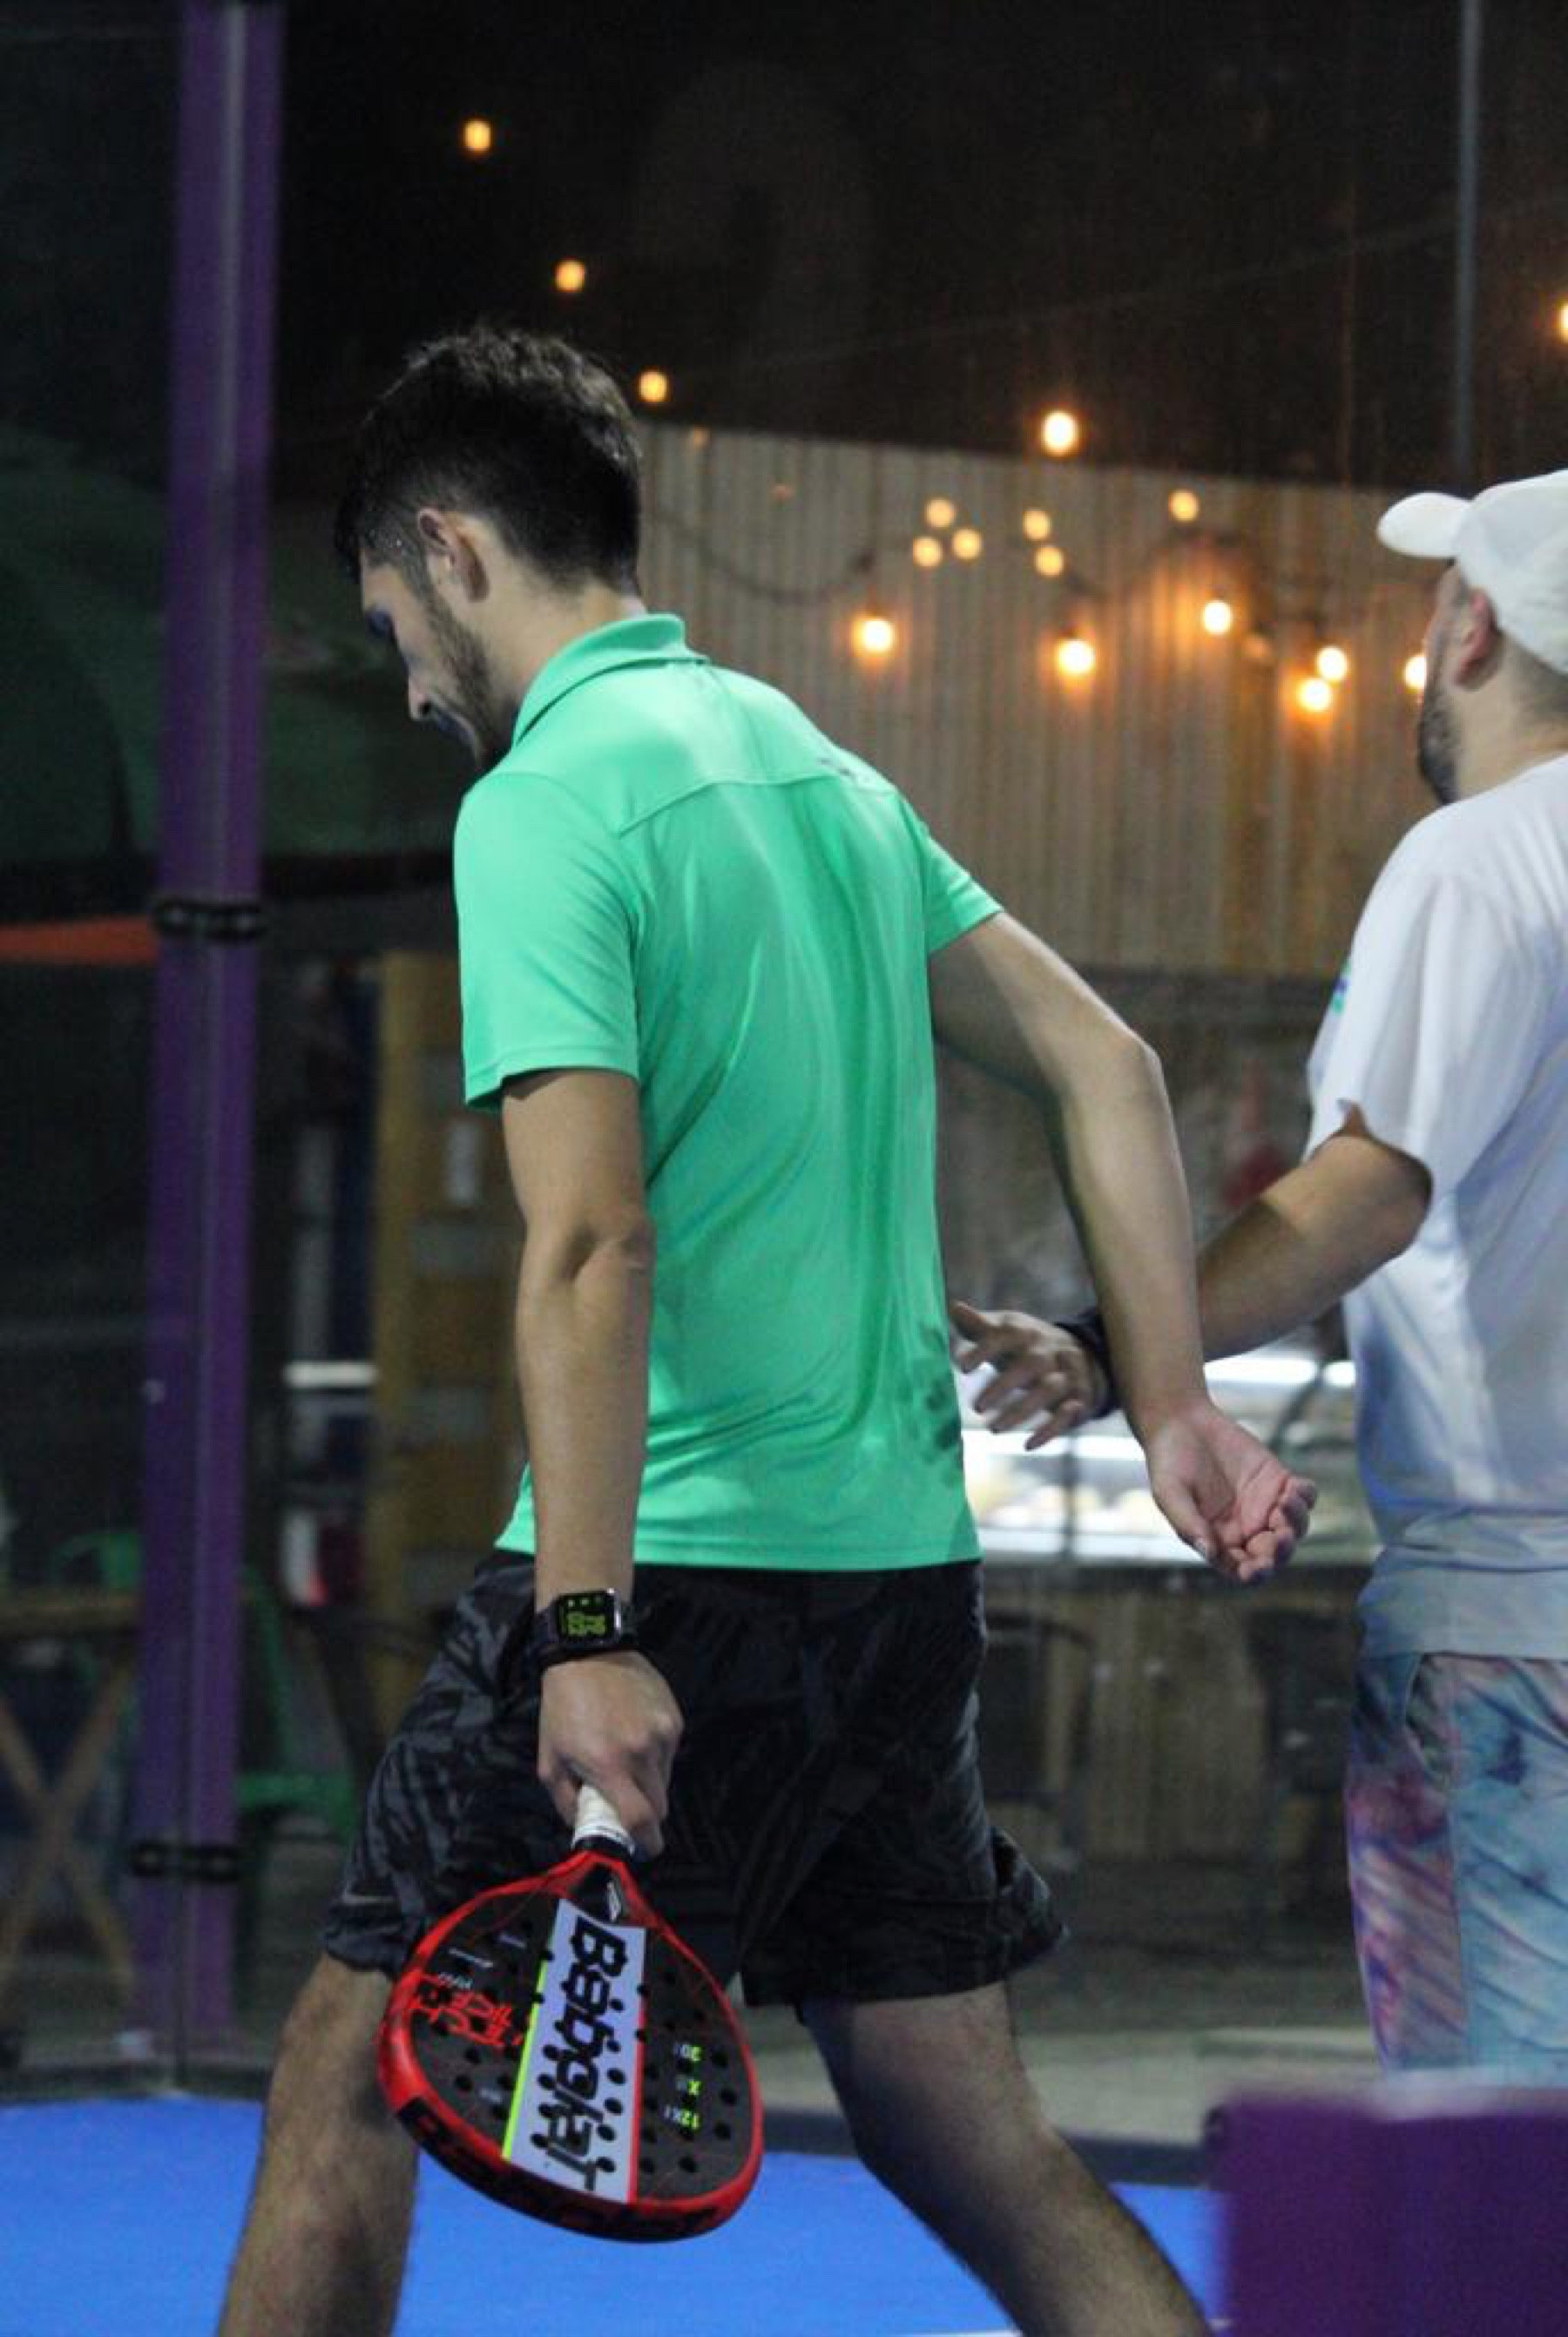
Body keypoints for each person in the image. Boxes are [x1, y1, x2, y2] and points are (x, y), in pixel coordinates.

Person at [216, 325, 1314, 2337]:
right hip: (895, 1589)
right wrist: (1172, 1405)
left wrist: (588, 1626)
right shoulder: (824, 775)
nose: (411, 683)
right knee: (970, 2130)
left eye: (390, 627)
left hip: (675, 1570)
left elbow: (591, 1242)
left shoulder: (544, 803)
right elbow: (1111, 1066)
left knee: (349, 2069)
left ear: (453, 549)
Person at [959, 469, 1568, 2081]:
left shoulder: (1481, 863)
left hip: (1517, 1630)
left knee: (1508, 2176)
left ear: (1474, 630)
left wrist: (1120, 1353)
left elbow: (1367, 1193)